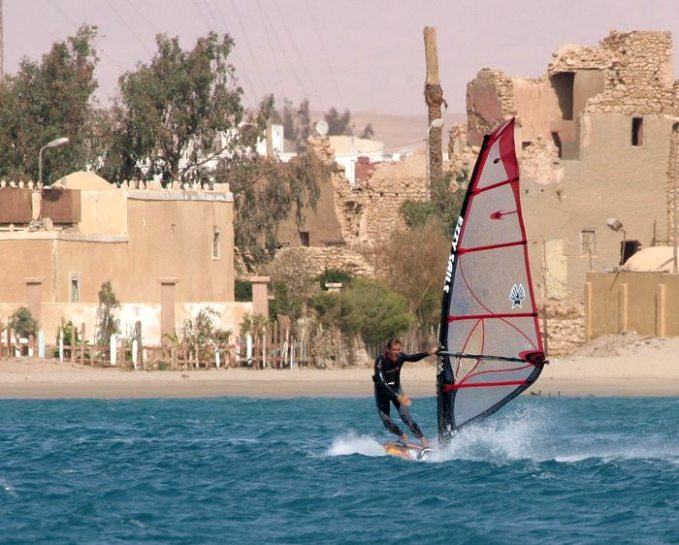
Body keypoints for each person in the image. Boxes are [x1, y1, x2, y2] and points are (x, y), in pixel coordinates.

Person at [373, 338, 439, 447]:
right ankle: (402, 436)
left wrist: (428, 353)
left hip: (397, 389)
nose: (396, 352)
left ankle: (423, 440)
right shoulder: (380, 361)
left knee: (405, 416)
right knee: (386, 422)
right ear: (388, 350)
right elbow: (382, 382)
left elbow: (412, 358)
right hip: (382, 392)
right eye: (394, 350)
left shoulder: (400, 356)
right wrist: (397, 396)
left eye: (398, 349)